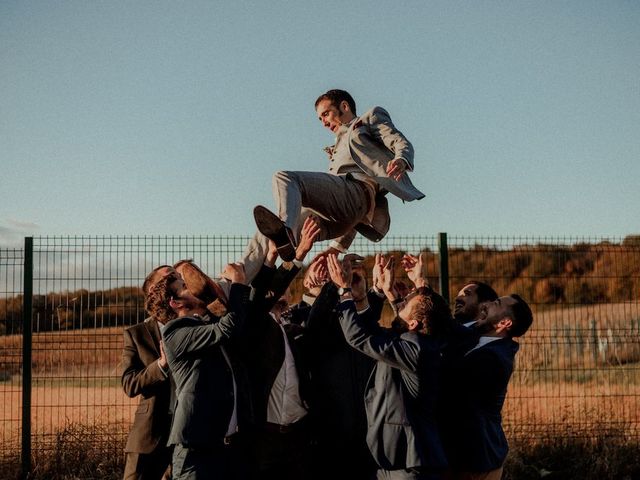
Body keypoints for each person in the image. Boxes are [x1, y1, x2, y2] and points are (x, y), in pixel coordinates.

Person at [242, 89, 425, 281]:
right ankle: (234, 284)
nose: (323, 122)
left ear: (344, 106)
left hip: (356, 191)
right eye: (320, 119)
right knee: (266, 235)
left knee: (284, 178)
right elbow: (351, 212)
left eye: (326, 114)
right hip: (340, 217)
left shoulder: (369, 119)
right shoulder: (336, 147)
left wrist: (401, 159)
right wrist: (336, 249)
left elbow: (398, 140)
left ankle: (285, 232)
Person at [328, 253, 449, 480]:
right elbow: (373, 332)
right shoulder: (418, 342)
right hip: (395, 462)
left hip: (411, 464)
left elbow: (360, 337)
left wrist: (344, 291)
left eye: (405, 303)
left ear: (413, 323)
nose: (401, 302)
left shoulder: (418, 351)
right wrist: (381, 291)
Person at [147, 264, 253, 480]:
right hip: (195, 451)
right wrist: (239, 284)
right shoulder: (175, 333)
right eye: (185, 286)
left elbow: (233, 322)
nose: (194, 287)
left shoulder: (204, 323)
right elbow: (227, 328)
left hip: (223, 448)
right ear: (175, 303)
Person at [242, 218, 320, 480]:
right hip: (266, 438)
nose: (282, 293)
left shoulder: (289, 327)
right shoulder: (256, 326)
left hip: (299, 435)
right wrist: (294, 256)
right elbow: (260, 298)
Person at [440, 295, 533, 480]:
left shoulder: (494, 359)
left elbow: (449, 380)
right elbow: (449, 328)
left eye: (496, 304)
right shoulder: (478, 338)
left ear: (504, 323)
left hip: (476, 461)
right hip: (464, 454)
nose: (487, 303)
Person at [303, 256, 379, 480]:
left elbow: (367, 328)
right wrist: (335, 286)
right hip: (331, 429)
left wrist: (361, 293)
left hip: (366, 430)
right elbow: (314, 327)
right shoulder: (317, 321)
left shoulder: (357, 318)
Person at [121, 265, 175, 480]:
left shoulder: (194, 327)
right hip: (149, 434)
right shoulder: (137, 334)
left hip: (187, 434)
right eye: (170, 276)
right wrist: (161, 364)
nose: (177, 280)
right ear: (154, 289)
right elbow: (129, 384)